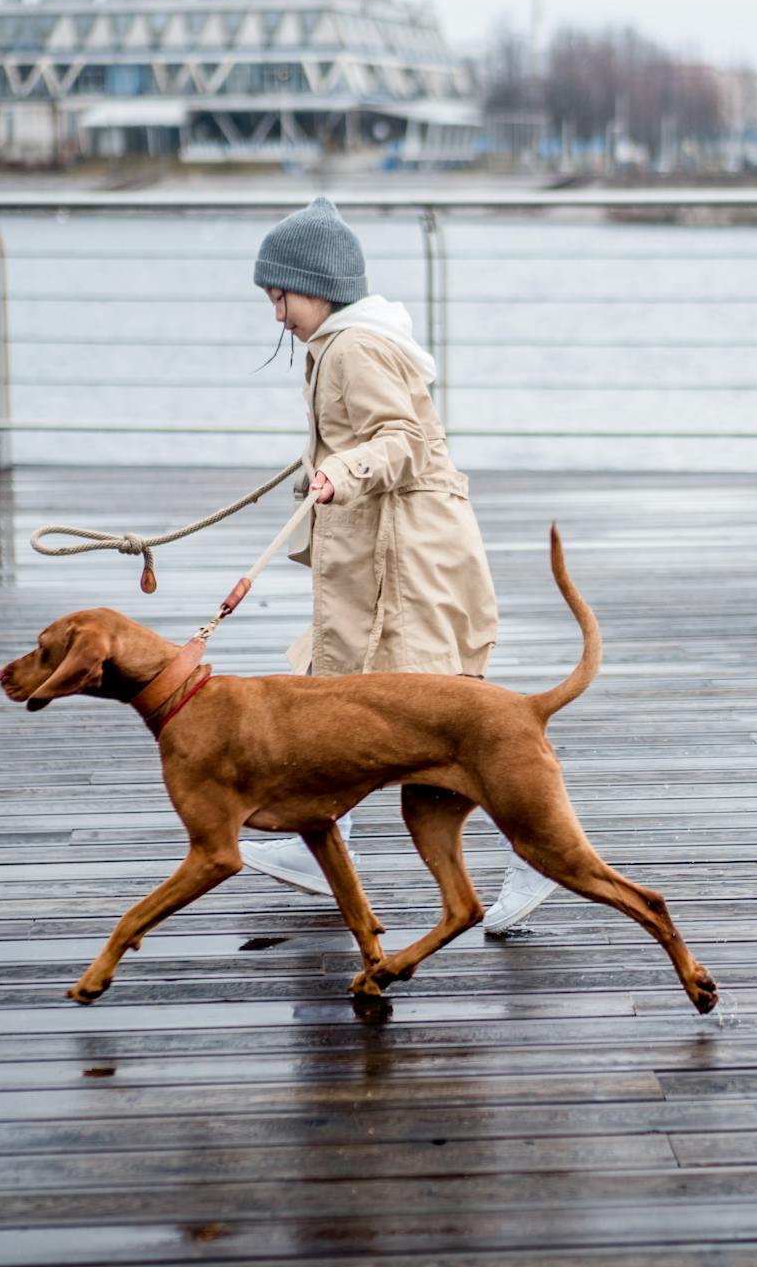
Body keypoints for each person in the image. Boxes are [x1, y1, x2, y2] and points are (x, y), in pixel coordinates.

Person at [238, 197, 558, 931]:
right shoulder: (342, 343)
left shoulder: (353, 348)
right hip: (385, 552)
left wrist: (340, 474)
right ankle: (320, 836)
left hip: (411, 559)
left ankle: (534, 852)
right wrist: (321, 464)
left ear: (317, 287)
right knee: (333, 692)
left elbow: (402, 437)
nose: (277, 314)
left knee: (449, 718)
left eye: (280, 296)